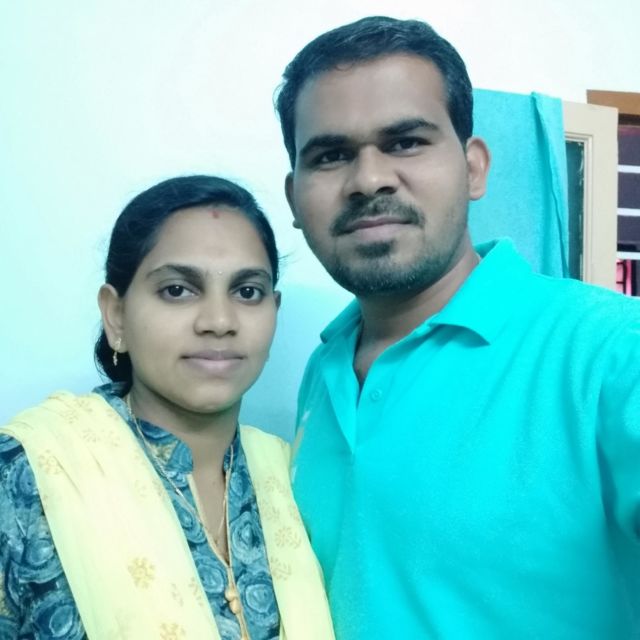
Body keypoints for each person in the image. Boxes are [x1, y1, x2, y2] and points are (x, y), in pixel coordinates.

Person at [276, 15, 640, 639]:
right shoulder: (325, 368)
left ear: (474, 168)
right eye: (331, 155)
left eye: (405, 142)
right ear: (293, 198)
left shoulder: (609, 350)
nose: (369, 180)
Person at [0, 175, 334, 640]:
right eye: (178, 289)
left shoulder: (292, 476)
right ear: (116, 315)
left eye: (247, 292)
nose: (219, 321)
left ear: (273, 310)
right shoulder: (27, 473)